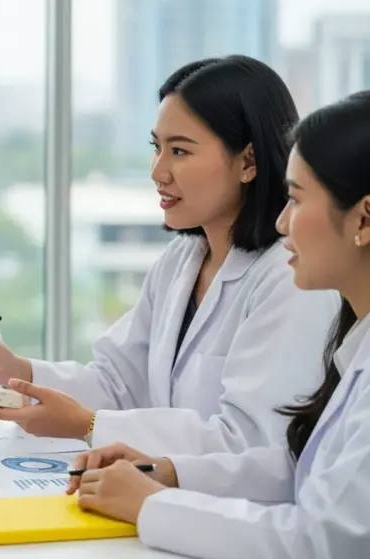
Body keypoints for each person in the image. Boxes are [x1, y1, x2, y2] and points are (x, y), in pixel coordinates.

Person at [0, 55, 340, 455]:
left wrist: (89, 426)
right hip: (164, 487)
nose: (158, 171)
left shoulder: (290, 278)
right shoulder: (181, 260)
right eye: (157, 147)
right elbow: (118, 383)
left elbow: (254, 445)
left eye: (180, 151)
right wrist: (17, 371)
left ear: (248, 162)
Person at [66, 91, 370, 559]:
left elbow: (324, 540)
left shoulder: (287, 287)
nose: (283, 222)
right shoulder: (356, 347)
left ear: (363, 219)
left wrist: (153, 504)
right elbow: (301, 473)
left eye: (296, 199)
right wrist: (170, 472)